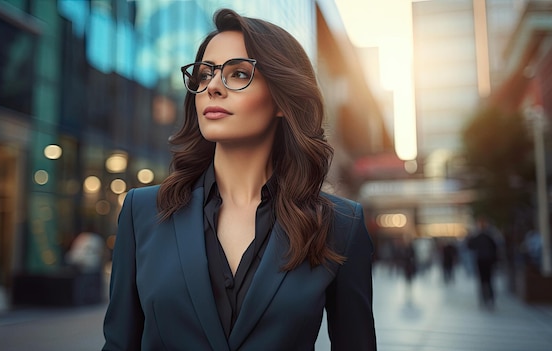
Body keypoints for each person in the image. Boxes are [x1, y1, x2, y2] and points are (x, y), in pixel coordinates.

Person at [102, 8, 376, 351]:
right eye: (204, 75)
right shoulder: (143, 211)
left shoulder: (340, 225)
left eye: (238, 73)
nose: (213, 87)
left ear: (280, 97)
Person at [467, 216, 498, 309]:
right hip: (482, 261)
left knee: (486, 281)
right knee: (485, 281)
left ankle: (488, 299)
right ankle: (486, 299)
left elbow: (470, 245)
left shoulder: (488, 236)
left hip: (486, 261)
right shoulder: (486, 236)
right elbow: (470, 245)